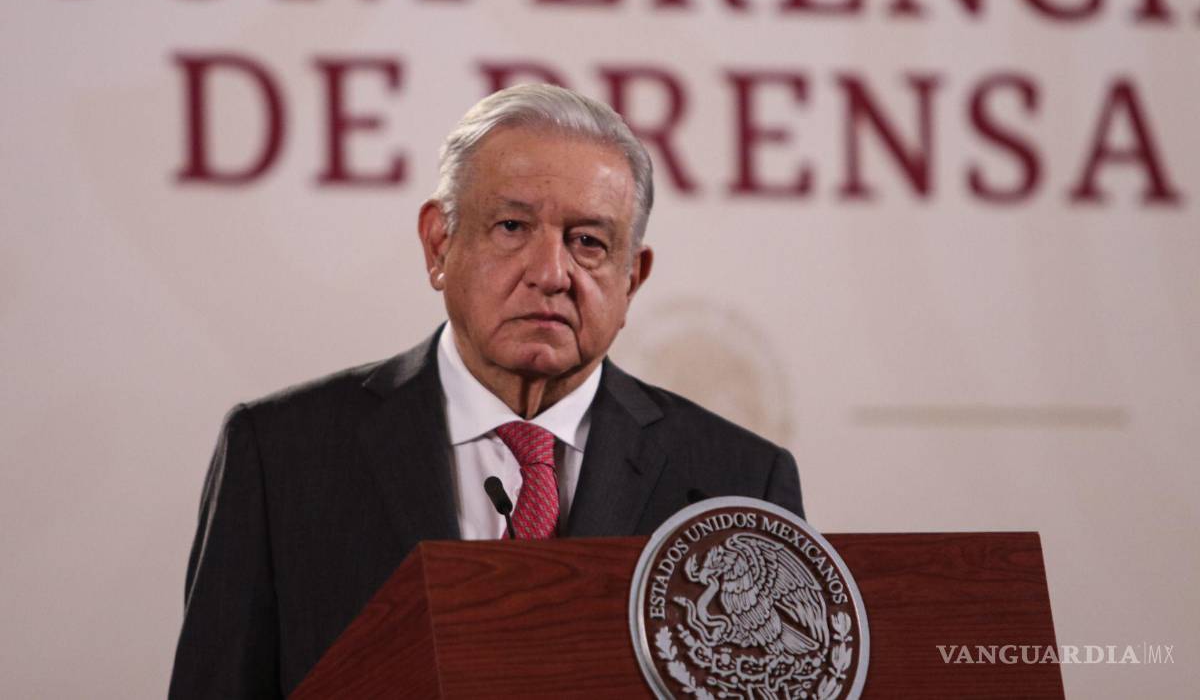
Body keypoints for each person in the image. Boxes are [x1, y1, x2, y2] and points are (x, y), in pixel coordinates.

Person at [168, 84, 804, 698]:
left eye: (588, 242)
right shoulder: (282, 455)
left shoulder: (738, 481)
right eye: (511, 227)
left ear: (631, 278)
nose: (550, 274)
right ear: (439, 245)